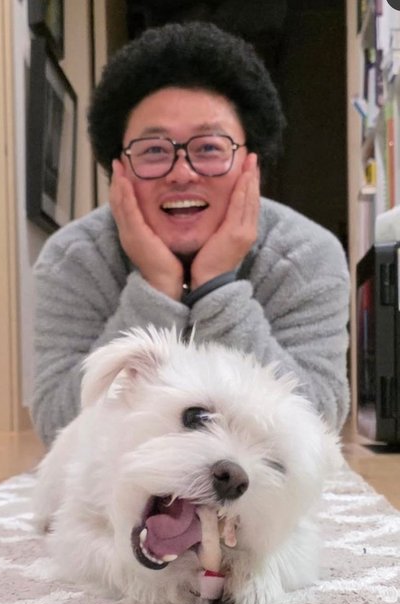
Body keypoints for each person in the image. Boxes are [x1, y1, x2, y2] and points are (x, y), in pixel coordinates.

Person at [31, 21, 350, 447]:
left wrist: (217, 287)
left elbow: (319, 423)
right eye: (154, 150)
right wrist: (156, 290)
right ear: (118, 167)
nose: (181, 173)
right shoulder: (72, 259)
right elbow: (56, 426)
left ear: (252, 164)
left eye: (209, 148)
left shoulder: (307, 254)